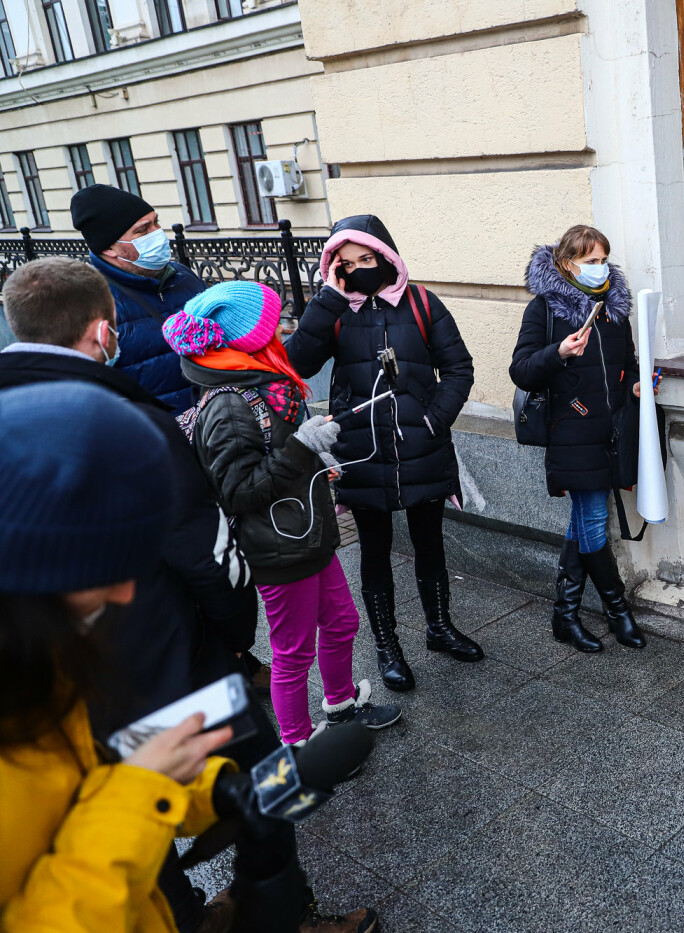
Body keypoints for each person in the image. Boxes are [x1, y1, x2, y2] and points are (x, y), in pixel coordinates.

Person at [0, 259, 371, 933]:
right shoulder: (132, 419)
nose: (122, 586)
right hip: (184, 663)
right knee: (255, 751)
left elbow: (105, 775)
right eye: (104, 560)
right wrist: (233, 643)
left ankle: (237, 908)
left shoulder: (55, 681)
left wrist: (220, 795)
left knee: (254, 777)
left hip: (157, 681)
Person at [0, 380, 237, 932]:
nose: (127, 592)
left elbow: (76, 797)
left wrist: (200, 791)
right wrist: (138, 793)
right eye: (108, 561)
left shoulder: (43, 658)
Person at [164, 281, 401, 747]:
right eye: (272, 323)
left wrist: (314, 460)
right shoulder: (230, 403)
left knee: (341, 623)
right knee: (293, 653)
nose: (279, 331)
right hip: (278, 547)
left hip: (304, 535)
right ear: (249, 338)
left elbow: (275, 456)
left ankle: (341, 708)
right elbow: (238, 492)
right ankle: (296, 744)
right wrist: (301, 449)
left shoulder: (262, 383)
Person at [287, 215, 479, 692]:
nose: (358, 270)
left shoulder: (421, 303)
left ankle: (439, 628)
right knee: (373, 551)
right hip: (362, 451)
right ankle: (387, 645)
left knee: (429, 545)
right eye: (345, 264)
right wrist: (327, 301)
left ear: (385, 256)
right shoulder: (333, 311)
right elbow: (295, 364)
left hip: (422, 448)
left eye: (366, 259)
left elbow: (458, 367)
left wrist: (434, 420)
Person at [509, 225, 650, 653]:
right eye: (590, 261)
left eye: (604, 259)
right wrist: (560, 353)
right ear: (566, 263)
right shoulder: (545, 308)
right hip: (571, 429)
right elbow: (522, 369)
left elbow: (627, 363)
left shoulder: (613, 308)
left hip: (610, 431)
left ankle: (565, 614)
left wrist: (638, 385)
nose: (599, 268)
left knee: (583, 519)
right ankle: (617, 609)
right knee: (591, 520)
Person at [70, 183, 205, 410]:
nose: (158, 233)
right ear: (109, 248)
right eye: (143, 230)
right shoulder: (91, 304)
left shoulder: (182, 275)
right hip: (158, 436)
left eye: (156, 222)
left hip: (216, 428)